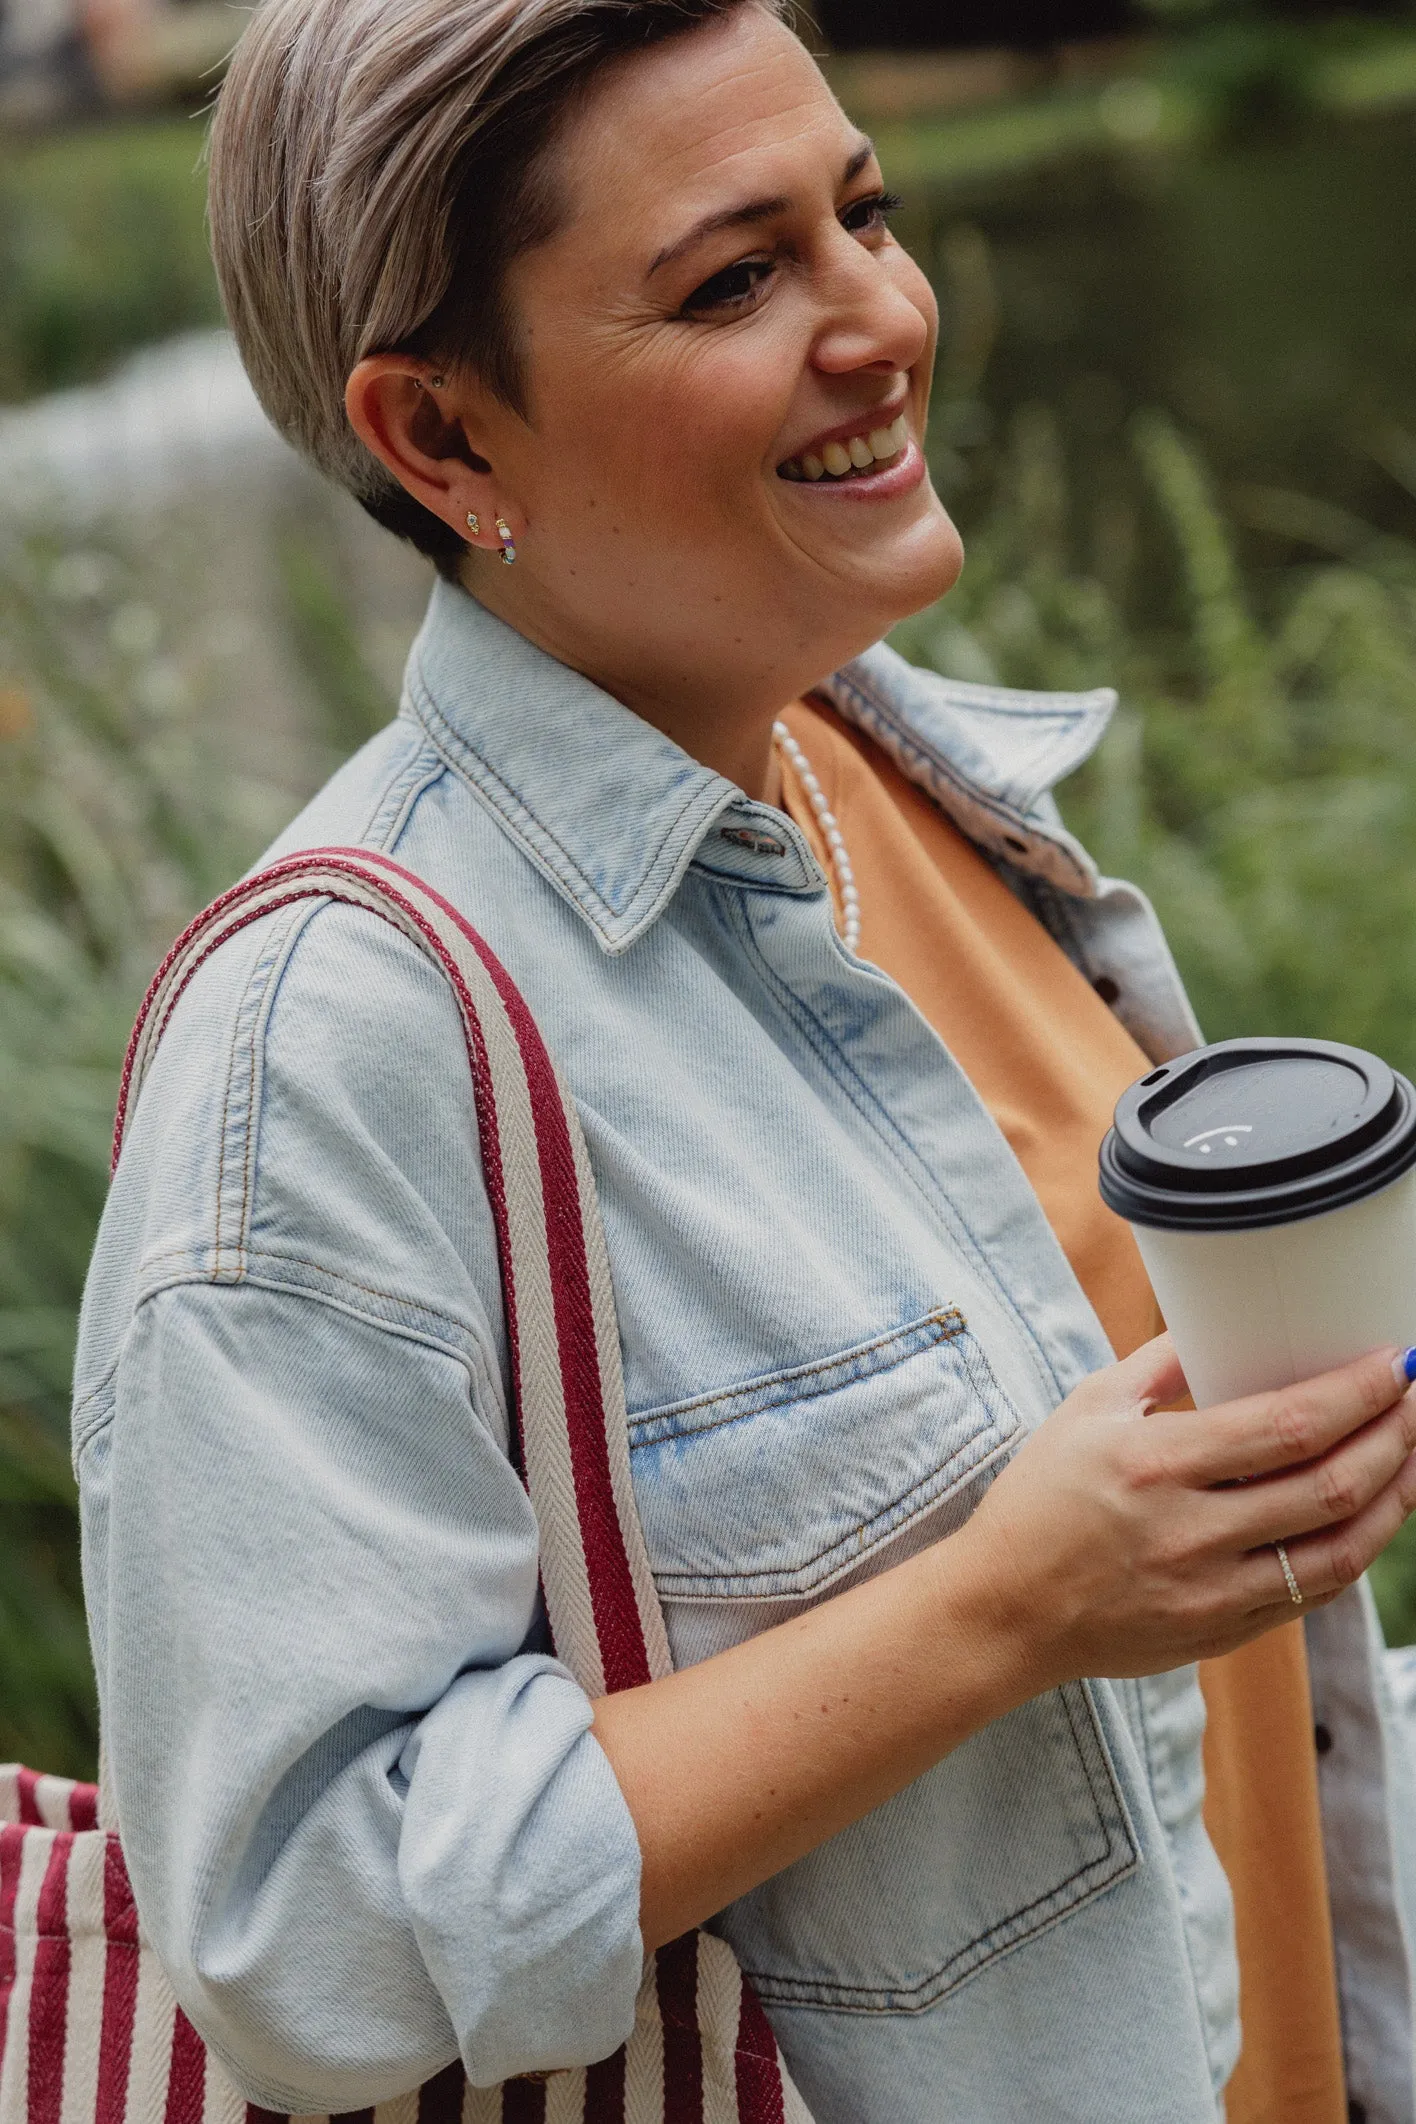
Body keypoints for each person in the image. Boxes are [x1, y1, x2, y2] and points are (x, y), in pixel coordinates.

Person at [74, 1, 1416, 2118]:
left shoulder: (895, 777)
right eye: (735, 279)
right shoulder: (328, 1044)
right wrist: (1004, 1607)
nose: (880, 317)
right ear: (441, 439)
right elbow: (307, 1934)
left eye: (863, 212)